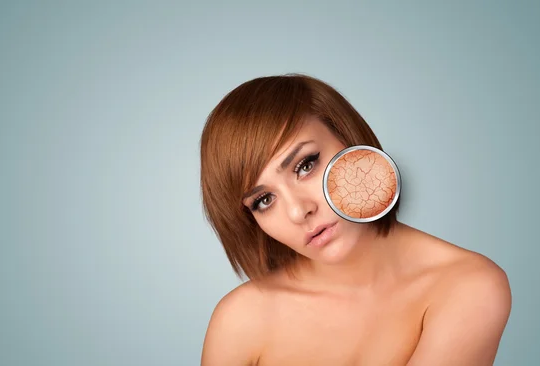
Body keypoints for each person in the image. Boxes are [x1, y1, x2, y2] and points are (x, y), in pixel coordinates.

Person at [198, 74, 512, 366]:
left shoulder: (467, 286)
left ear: (351, 141)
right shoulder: (240, 319)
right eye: (264, 200)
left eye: (306, 165)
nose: (298, 211)